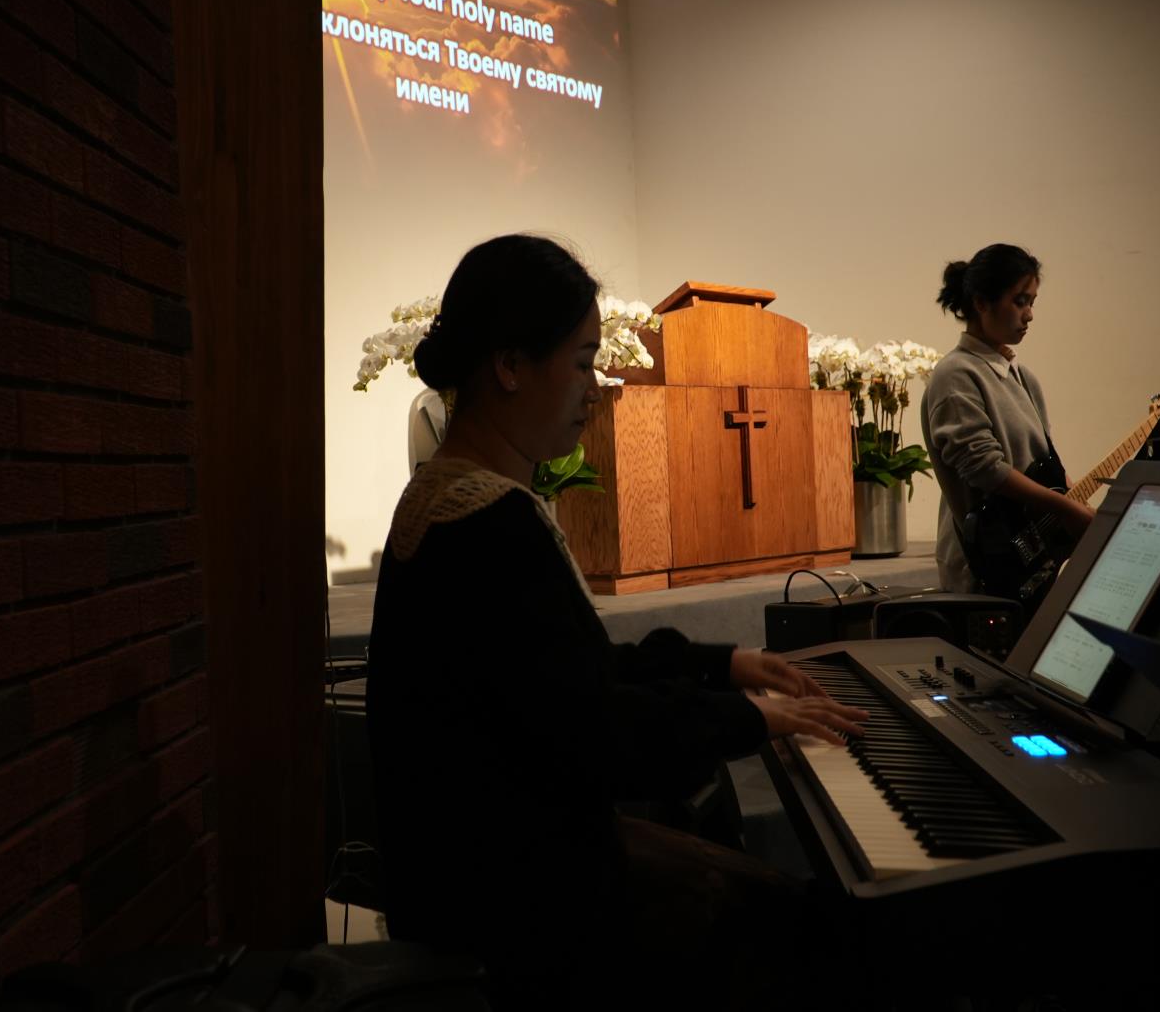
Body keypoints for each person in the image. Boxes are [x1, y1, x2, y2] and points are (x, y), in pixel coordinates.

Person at [366, 234, 867, 1008]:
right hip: (514, 913)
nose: (595, 389)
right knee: (804, 925)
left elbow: (564, 673)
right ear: (509, 364)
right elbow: (599, 733)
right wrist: (751, 718)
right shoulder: (490, 525)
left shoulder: (448, 495)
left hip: (483, 872)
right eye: (581, 361)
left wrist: (723, 664)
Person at [919, 244, 1093, 595]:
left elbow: (1041, 462)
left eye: (1032, 302)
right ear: (982, 303)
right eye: (1019, 301)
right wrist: (1064, 507)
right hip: (988, 565)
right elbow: (984, 468)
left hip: (1032, 556)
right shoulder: (956, 373)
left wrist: (1072, 495)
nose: (1029, 315)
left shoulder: (1022, 376)